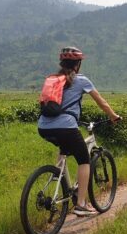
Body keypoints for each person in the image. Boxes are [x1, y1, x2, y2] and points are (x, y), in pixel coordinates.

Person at [38, 46, 120, 216]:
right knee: (84, 160)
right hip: (66, 126)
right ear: (78, 64)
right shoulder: (81, 80)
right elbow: (101, 102)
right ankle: (81, 204)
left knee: (64, 148)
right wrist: (113, 116)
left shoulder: (54, 79)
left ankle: (57, 178)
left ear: (62, 63)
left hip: (44, 126)